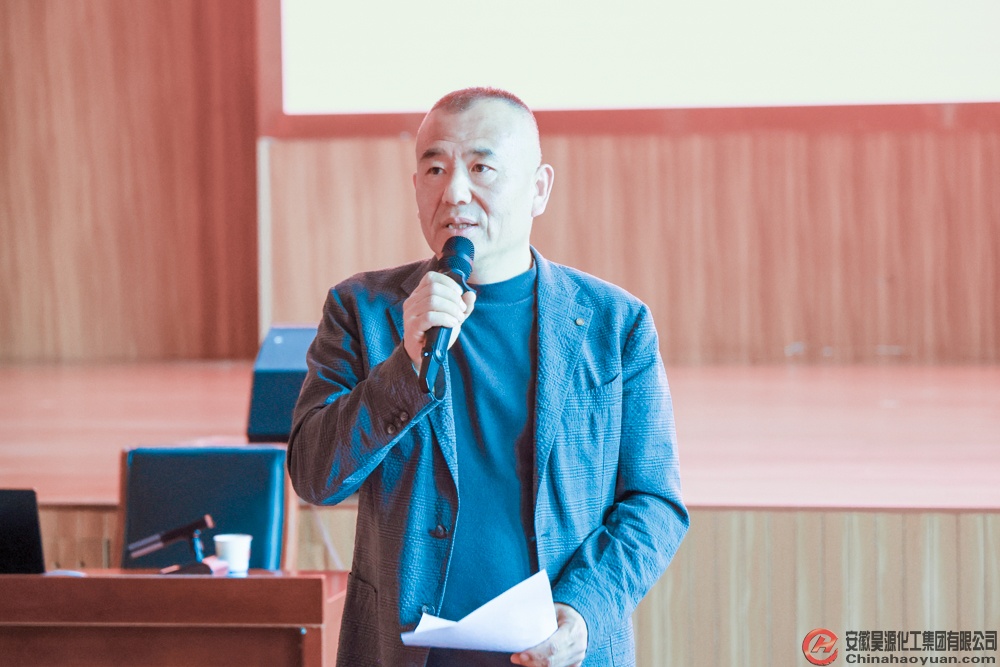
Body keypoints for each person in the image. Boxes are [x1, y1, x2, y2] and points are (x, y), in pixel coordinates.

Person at [287, 87, 688, 667]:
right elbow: (314, 477)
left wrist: (583, 609)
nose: (454, 192)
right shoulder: (363, 310)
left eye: (481, 168)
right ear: (416, 186)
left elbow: (654, 502)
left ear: (539, 188)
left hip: (557, 655)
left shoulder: (615, 323)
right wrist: (404, 366)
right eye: (435, 169)